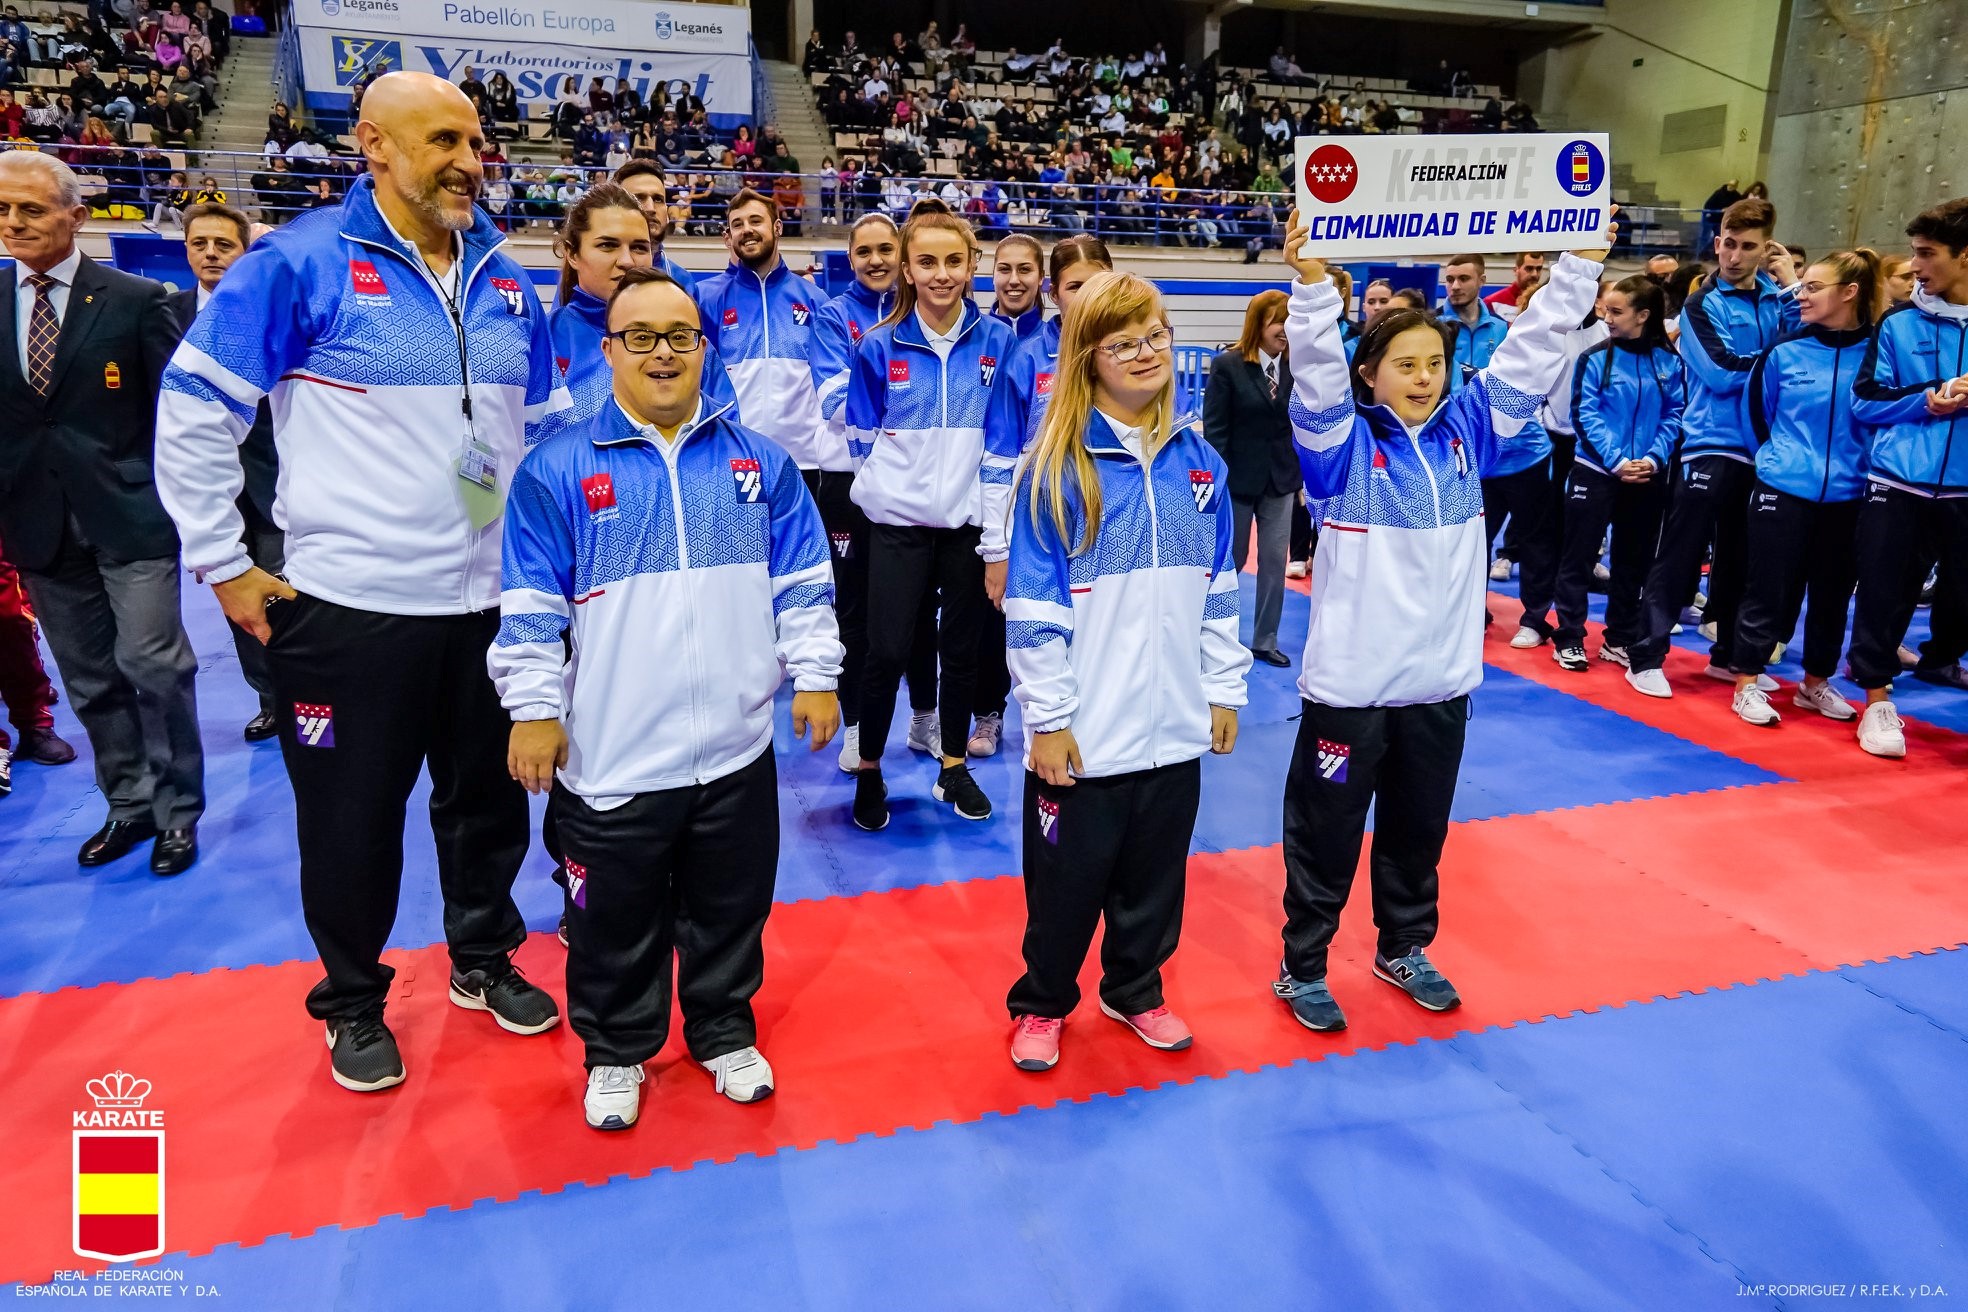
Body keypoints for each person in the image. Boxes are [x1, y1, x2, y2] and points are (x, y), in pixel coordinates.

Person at [155, 72, 572, 1094]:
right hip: (350, 613)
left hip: (488, 608)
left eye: (476, 140)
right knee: (351, 822)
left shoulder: (506, 279)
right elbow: (195, 408)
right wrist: (225, 563)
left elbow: (547, 437)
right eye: (443, 139)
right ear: (373, 147)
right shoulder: (300, 265)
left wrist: (557, 577)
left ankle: (481, 955)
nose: (471, 160)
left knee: (488, 807)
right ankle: (351, 998)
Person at [495, 266, 842, 1130]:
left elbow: (803, 580)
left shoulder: (760, 462)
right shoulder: (557, 470)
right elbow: (531, 604)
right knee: (614, 919)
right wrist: (534, 707)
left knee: (731, 907)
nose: (662, 353)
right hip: (613, 754)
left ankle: (723, 1030)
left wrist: (819, 671)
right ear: (607, 351)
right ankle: (617, 1049)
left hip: (735, 748)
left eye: (680, 337)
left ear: (704, 347)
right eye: (640, 337)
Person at [1270, 205, 1612, 1033]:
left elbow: (1532, 352)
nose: (1422, 376)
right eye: (1403, 364)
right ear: (1370, 375)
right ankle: (1303, 963)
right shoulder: (1338, 448)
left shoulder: (1471, 434)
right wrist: (1312, 288)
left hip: (1440, 684)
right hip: (1352, 687)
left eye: (1434, 363)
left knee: (1417, 832)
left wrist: (1576, 266)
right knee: (1327, 834)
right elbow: (1314, 369)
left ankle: (1403, 945)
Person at [1002, 271, 1249, 1072]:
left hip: (1173, 724)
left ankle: (1135, 988)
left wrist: (1222, 689)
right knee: (1066, 885)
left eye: (1156, 335)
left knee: (1154, 879)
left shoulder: (1199, 461)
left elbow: (1219, 588)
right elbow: (1036, 608)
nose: (1146, 353)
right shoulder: (1054, 470)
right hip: (1085, 732)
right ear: (1088, 359)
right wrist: (1049, 717)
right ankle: (1042, 1002)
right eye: (1123, 343)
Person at [0, 150, 202, 873]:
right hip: (36, 522)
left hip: (133, 516)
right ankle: (129, 805)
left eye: (31, 208)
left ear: (74, 216)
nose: (15, 222)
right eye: (4, 210)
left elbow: (178, 418)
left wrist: (189, 511)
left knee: (153, 662)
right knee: (88, 676)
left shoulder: (139, 299)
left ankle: (179, 811)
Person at [843, 207, 1013, 829]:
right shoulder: (878, 346)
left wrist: (994, 540)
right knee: (885, 651)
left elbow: (1001, 449)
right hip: (896, 528)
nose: (941, 274)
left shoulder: (999, 342)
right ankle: (869, 770)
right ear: (908, 271)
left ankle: (951, 766)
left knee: (961, 653)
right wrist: (894, 491)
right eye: (927, 262)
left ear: (971, 269)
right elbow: (861, 437)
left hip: (967, 527)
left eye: (953, 261)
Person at [1623, 197, 1799, 699]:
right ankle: (1645, 657)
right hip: (1710, 445)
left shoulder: (1778, 299)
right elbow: (1722, 373)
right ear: (1717, 241)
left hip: (1763, 451)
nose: (1734, 255)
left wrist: (1790, 288)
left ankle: (1728, 658)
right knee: (1679, 555)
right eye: (1727, 243)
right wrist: (1777, 364)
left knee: (1742, 560)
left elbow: (1806, 349)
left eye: (1747, 246)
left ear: (1766, 249)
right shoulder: (1702, 303)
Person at [1727, 250, 1884, 726]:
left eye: (1813, 287)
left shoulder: (1878, 354)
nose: (1801, 295)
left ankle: (1815, 682)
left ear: (1849, 293)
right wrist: (1780, 464)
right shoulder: (1783, 352)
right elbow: (1757, 418)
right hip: (1784, 488)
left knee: (1834, 594)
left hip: (1850, 495)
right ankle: (1746, 682)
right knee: (1765, 589)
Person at [809, 212, 941, 773]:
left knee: (918, 605)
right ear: (851, 257)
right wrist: (914, 411)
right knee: (854, 607)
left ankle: (925, 715)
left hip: (918, 483)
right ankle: (859, 724)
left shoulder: (932, 316)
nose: (877, 260)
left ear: (903, 253)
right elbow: (836, 402)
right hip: (848, 481)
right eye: (864, 251)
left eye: (886, 248)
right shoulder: (832, 316)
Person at [979, 235, 1115, 752]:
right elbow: (998, 459)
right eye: (1075, 286)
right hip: (1044, 528)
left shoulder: (1126, 350)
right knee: (1043, 641)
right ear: (1054, 292)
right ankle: (1047, 742)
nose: (1087, 295)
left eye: (1097, 282)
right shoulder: (1029, 357)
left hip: (1114, 525)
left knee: (1103, 647)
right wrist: (997, 548)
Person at [1845, 198, 1968, 758]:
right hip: (1898, 483)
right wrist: (1926, 401)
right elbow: (1865, 401)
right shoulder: (1898, 322)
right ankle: (1876, 701)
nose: (1914, 267)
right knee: (1884, 596)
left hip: (1964, 491)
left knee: (1961, 596)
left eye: (1926, 254)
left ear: (1964, 257)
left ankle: (1944, 660)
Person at [163, 201, 282, 742]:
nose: (210, 253)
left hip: (275, 482)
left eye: (224, 244)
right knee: (236, 598)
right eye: (199, 244)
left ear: (245, 251)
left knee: (285, 594)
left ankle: (307, 692)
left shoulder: (274, 311)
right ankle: (269, 699)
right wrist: (196, 523)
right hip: (215, 491)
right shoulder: (164, 318)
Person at [1551, 276, 1683, 672]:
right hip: (1595, 471)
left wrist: (1653, 459)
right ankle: (1570, 637)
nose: (1606, 317)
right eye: (1606, 309)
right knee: (1578, 557)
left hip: (1646, 476)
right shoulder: (1593, 359)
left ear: (1643, 315)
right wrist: (1617, 462)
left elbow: (1674, 414)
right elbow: (1584, 414)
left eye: (1616, 311)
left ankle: (1620, 637)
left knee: (1633, 562)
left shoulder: (1670, 362)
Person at [549, 182, 733, 427]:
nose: (627, 261)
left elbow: (725, 435)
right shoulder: (545, 340)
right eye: (608, 245)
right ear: (572, 254)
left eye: (638, 247)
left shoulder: (685, 339)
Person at [1203, 289, 1298, 666]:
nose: (1286, 329)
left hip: (1282, 480)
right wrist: (1218, 479)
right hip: (1237, 481)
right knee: (1232, 561)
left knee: (1275, 562)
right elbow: (1215, 429)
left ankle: (1265, 639)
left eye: (1292, 321)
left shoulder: (1298, 366)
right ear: (1258, 323)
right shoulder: (1228, 366)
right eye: (1279, 320)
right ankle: (1211, 633)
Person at [1437, 253, 1508, 392]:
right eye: (1450, 280)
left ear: (1481, 280)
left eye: (1464, 279)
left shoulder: (1500, 327)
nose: (1455, 286)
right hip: (1447, 408)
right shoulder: (1432, 325)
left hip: (1487, 408)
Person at [988, 233, 1044, 340]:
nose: (1014, 280)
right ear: (993, 275)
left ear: (1041, 277)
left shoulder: (1058, 343)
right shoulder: (968, 339)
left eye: (1024, 269)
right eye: (1005, 269)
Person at [1482, 251, 1545, 323]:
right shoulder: (1492, 303)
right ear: (1516, 270)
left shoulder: (1545, 302)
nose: (1534, 274)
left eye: (1539, 269)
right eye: (1529, 268)